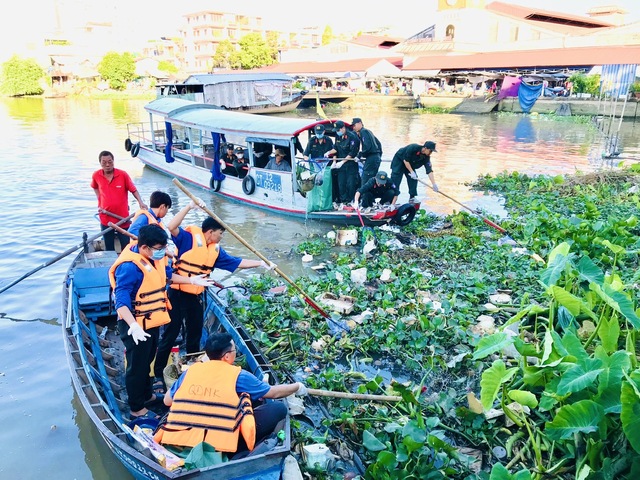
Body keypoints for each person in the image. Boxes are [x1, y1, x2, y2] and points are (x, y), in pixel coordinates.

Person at [153, 202, 276, 391]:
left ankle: (192, 371)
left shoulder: (215, 251)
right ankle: (159, 375)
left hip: (195, 296)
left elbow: (238, 262)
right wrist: (189, 207)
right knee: (170, 334)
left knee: (194, 334)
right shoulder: (188, 239)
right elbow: (171, 227)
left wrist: (261, 263)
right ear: (210, 232)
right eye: (220, 234)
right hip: (177, 293)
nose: (221, 238)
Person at [108, 223, 216, 420]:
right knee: (137, 366)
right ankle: (136, 408)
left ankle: (147, 395)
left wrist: (192, 280)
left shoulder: (153, 259)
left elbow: (167, 276)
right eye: (159, 249)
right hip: (135, 326)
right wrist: (133, 325)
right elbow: (121, 302)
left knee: (148, 359)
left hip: (152, 321)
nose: (162, 253)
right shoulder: (129, 268)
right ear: (144, 247)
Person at [155, 333, 307, 453]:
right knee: (278, 409)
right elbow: (273, 393)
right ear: (227, 356)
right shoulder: (239, 375)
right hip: (218, 444)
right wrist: (297, 386)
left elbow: (167, 401)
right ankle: (238, 453)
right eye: (234, 350)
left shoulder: (191, 371)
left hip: (179, 437)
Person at [91, 150, 147, 251]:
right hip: (106, 219)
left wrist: (141, 203)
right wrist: (99, 200)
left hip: (122, 219)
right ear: (100, 163)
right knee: (109, 248)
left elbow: (133, 190)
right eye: (104, 163)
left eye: (110, 162)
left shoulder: (122, 175)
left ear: (113, 161)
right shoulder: (96, 175)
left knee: (126, 247)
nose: (107, 165)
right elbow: (94, 187)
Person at [324, 120, 360, 207]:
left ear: (343, 128)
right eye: (336, 131)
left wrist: (342, 162)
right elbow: (336, 148)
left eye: (338, 130)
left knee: (351, 184)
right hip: (341, 166)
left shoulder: (352, 137)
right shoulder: (338, 136)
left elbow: (353, 152)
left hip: (350, 164)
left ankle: (350, 201)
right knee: (341, 184)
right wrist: (329, 153)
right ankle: (343, 202)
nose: (337, 132)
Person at [351, 117, 383, 186]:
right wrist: (379, 156)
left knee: (366, 180)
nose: (353, 127)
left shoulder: (363, 132)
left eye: (354, 125)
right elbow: (378, 144)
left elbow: (367, 147)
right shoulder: (369, 132)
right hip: (374, 158)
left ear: (360, 123)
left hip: (372, 158)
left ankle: (365, 196)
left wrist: (359, 155)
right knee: (372, 180)